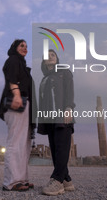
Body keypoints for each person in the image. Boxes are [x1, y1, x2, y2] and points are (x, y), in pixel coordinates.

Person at [0, 39, 36, 192]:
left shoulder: (23, 65)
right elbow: (11, 78)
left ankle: (21, 179)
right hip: (17, 104)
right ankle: (11, 182)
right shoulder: (13, 60)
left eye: (26, 46)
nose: (25, 48)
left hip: (25, 107)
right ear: (14, 47)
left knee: (24, 145)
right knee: (15, 143)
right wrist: (16, 95)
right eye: (22, 45)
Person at [37, 49, 75, 196]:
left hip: (62, 115)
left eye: (53, 55)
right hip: (49, 118)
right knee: (54, 149)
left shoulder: (64, 72)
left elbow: (69, 91)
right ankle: (67, 180)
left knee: (62, 147)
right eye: (47, 56)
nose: (51, 57)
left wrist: (68, 107)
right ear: (44, 61)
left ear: (57, 58)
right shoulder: (44, 79)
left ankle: (57, 180)